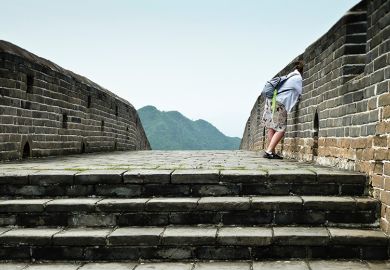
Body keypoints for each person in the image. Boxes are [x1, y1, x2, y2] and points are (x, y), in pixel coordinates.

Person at [261, 60, 304, 159]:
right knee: (281, 129)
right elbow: (302, 92)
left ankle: (271, 152)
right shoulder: (298, 79)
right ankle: (268, 151)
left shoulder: (290, 76)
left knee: (271, 127)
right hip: (279, 103)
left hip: (271, 100)